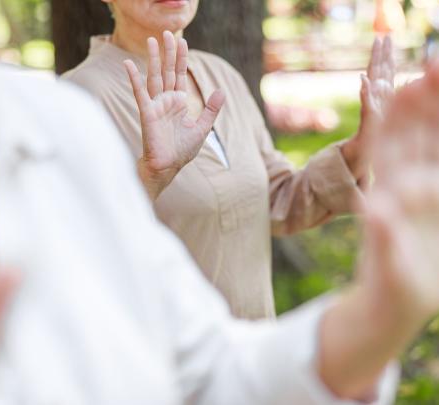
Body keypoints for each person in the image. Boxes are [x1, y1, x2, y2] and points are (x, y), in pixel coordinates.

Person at [0, 1, 439, 404]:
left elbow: (214, 366)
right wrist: (148, 176)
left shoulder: (58, 119)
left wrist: (382, 309)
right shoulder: (82, 100)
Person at [63, 0, 396, 320]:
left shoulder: (221, 75)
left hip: (252, 357)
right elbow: (73, 250)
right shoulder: (77, 98)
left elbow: (278, 199)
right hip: (163, 365)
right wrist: (150, 176)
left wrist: (361, 145)